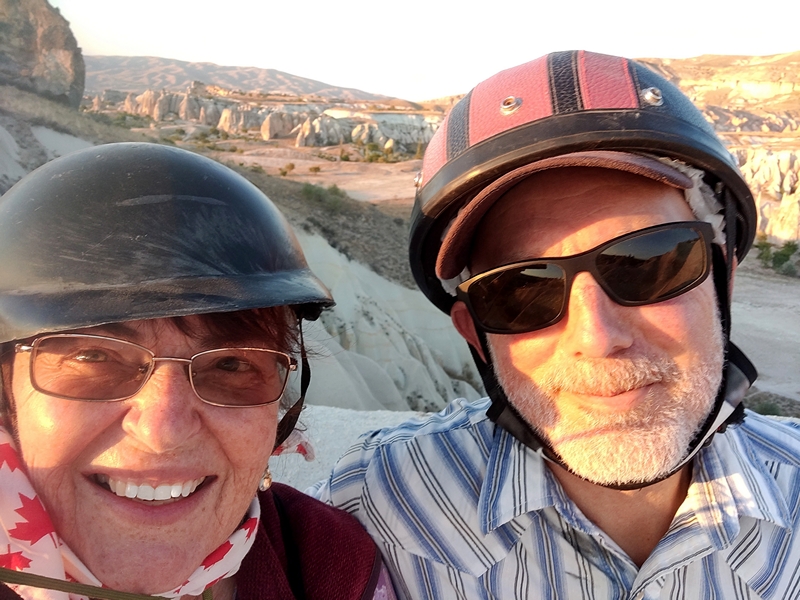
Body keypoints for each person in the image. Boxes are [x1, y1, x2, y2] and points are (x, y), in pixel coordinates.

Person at [312, 50, 800, 598]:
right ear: (477, 337)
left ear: (721, 282)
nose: (598, 338)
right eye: (521, 291)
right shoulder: (377, 503)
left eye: (648, 264)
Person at [0, 143, 396, 600]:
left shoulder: (329, 563)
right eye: (95, 358)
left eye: (230, 365)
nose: (164, 432)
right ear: (6, 390)